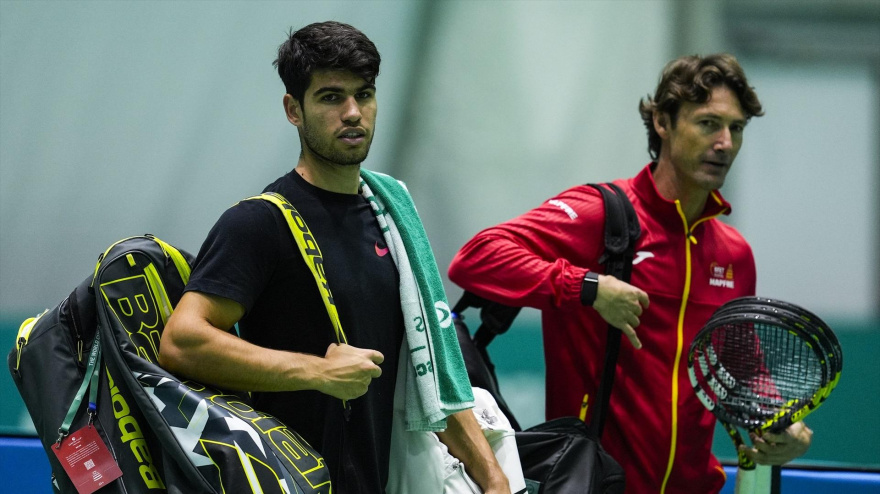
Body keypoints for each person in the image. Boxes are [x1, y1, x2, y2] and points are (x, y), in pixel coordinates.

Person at [159, 21, 510, 494]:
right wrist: (318, 371)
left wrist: (493, 480)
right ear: (293, 110)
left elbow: (431, 377)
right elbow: (182, 341)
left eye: (364, 95)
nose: (352, 113)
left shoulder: (390, 212)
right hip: (290, 481)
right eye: (330, 97)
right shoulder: (260, 223)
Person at [448, 53, 812, 494]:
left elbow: (740, 366)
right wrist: (586, 286)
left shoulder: (734, 255)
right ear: (663, 122)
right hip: (597, 483)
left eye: (736, 128)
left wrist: (778, 423)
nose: (725, 143)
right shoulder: (602, 215)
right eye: (708, 124)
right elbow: (476, 257)